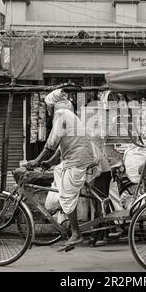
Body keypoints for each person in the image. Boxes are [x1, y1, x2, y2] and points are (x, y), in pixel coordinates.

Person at [25, 89, 111, 248]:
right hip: (75, 159)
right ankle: (68, 219)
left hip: (77, 161)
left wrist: (36, 161)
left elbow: (51, 144)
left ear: (53, 105)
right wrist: (49, 162)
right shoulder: (69, 116)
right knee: (62, 186)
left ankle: (76, 234)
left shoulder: (61, 114)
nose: (48, 110)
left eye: (48, 106)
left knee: (66, 195)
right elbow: (59, 149)